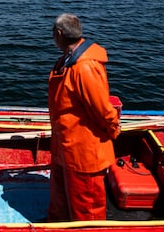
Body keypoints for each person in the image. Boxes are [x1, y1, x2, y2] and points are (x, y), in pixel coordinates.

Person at [48, 13, 121, 221]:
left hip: (83, 153)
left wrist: (114, 128)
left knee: (86, 209)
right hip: (66, 147)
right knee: (60, 201)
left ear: (59, 34)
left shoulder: (85, 67)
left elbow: (101, 109)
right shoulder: (68, 61)